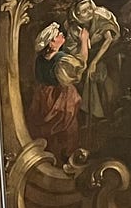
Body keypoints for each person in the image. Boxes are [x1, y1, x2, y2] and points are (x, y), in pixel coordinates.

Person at [27, 22, 89, 159]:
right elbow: (81, 65)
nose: (62, 35)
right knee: (67, 127)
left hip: (43, 97)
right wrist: (84, 41)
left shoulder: (39, 60)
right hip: (60, 98)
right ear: (51, 43)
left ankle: (51, 154)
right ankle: (68, 155)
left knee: (49, 129)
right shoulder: (60, 60)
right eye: (58, 35)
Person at [66, 0, 121, 125]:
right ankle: (93, 115)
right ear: (77, 14)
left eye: (89, 8)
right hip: (85, 56)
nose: (89, 12)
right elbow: (72, 51)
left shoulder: (99, 16)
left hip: (108, 52)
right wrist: (85, 43)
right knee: (86, 76)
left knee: (100, 74)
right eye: (84, 11)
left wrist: (94, 62)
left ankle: (105, 112)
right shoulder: (74, 29)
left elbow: (109, 39)